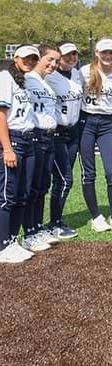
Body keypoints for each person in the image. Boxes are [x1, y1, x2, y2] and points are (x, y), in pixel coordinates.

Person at [80, 38, 112, 232]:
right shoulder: (83, 72)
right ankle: (96, 217)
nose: (108, 56)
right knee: (89, 172)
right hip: (86, 123)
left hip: (108, 124)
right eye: (105, 52)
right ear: (97, 53)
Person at [0, 46, 38, 263]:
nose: (30, 61)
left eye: (33, 58)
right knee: (7, 195)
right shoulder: (5, 78)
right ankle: (2, 245)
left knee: (23, 194)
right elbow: (1, 115)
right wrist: (7, 148)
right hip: (13, 139)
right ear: (15, 58)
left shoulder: (26, 80)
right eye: (26, 58)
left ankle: (12, 240)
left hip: (28, 139)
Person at [22, 44, 61, 252]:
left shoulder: (46, 83)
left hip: (49, 137)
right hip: (35, 136)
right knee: (32, 187)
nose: (53, 64)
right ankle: (28, 233)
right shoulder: (27, 80)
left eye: (56, 61)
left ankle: (37, 227)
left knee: (42, 186)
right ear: (39, 58)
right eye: (50, 59)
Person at [46, 42, 83, 239]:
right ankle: (54, 223)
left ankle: (55, 221)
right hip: (56, 132)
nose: (71, 58)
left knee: (62, 180)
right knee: (64, 179)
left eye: (74, 54)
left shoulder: (77, 74)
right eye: (67, 55)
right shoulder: (50, 76)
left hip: (73, 132)